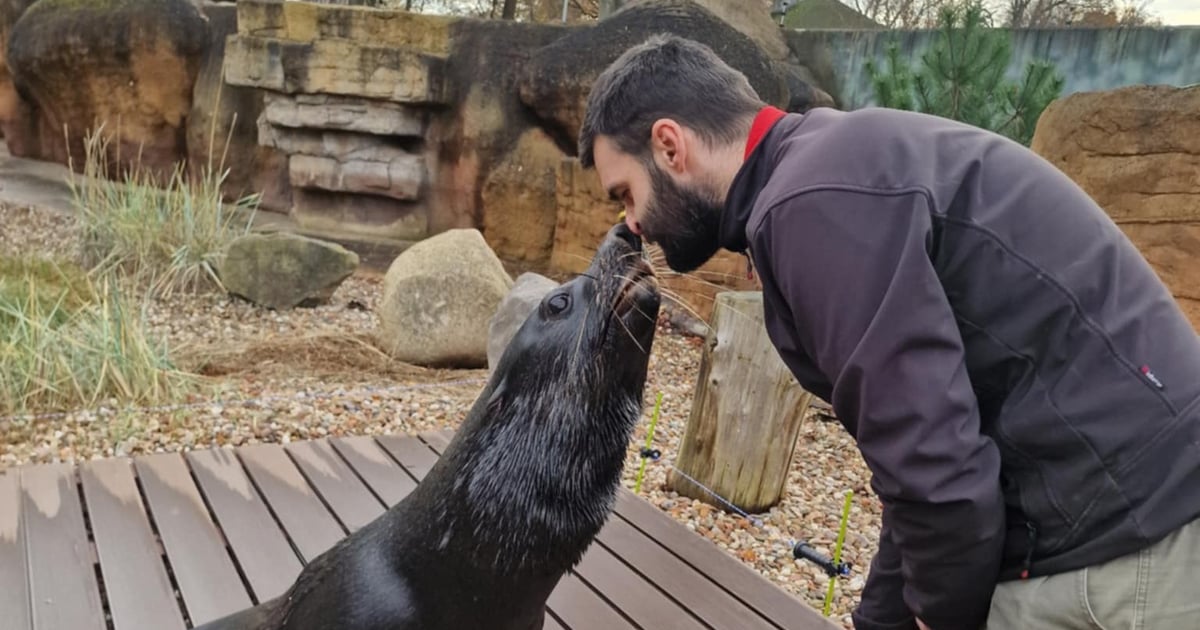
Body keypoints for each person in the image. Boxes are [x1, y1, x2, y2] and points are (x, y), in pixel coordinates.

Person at [577, 33, 1200, 630]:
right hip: (1122, 499)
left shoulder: (810, 204)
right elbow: (916, 459)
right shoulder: (824, 169)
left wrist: (937, 612)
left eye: (624, 194)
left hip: (1128, 537)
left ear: (669, 146)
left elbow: (938, 473)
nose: (630, 226)